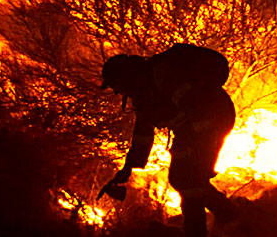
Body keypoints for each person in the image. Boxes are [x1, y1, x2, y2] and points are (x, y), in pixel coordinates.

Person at [97, 44, 236, 237]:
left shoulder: (163, 77)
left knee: (190, 181)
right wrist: (128, 168)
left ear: (126, 76)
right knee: (184, 178)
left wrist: (195, 145)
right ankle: (230, 215)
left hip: (213, 120)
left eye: (117, 85)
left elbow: (198, 109)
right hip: (193, 130)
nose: (118, 91)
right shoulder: (143, 93)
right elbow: (142, 136)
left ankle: (204, 228)